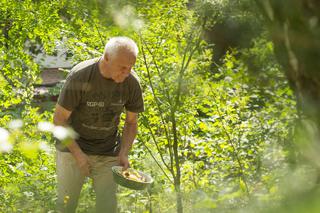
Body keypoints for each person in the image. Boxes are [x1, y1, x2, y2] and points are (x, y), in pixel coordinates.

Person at [53, 36, 144, 213]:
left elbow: (131, 123)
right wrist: (78, 155)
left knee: (107, 207)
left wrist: (124, 152)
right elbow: (59, 120)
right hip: (72, 147)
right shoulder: (81, 75)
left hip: (108, 150)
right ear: (107, 57)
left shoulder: (132, 83)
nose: (127, 72)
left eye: (131, 67)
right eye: (123, 67)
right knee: (66, 205)